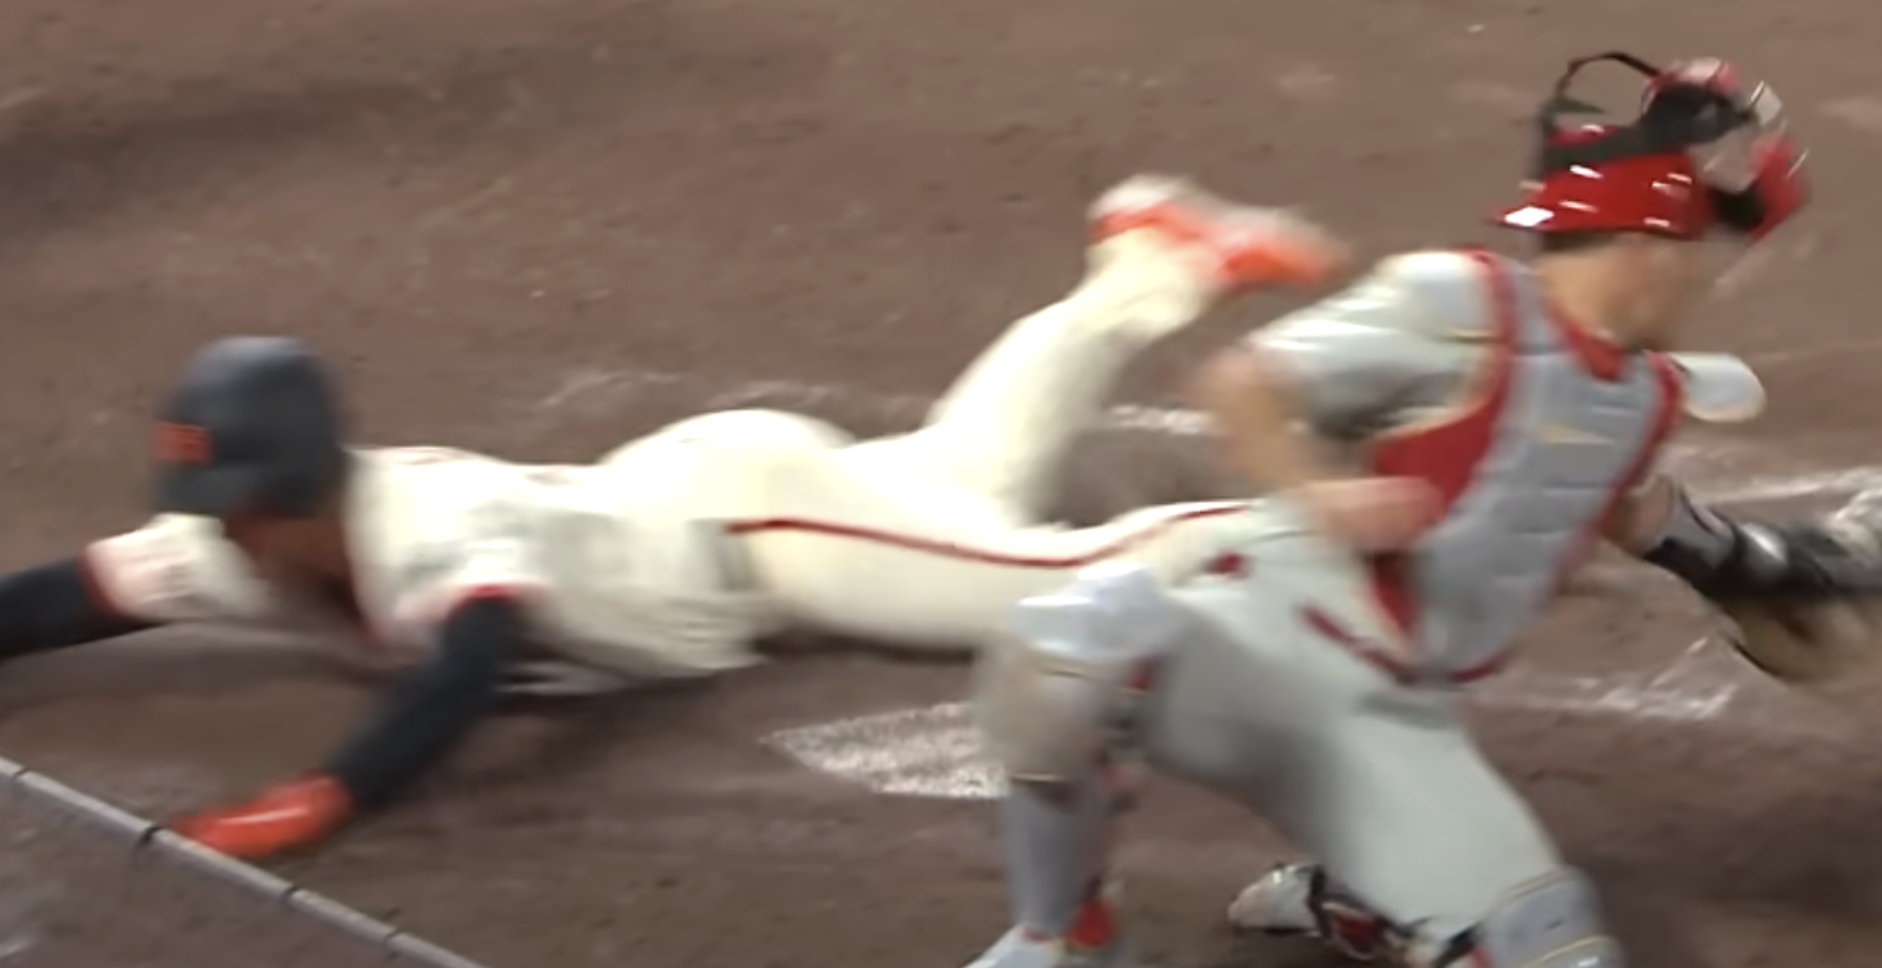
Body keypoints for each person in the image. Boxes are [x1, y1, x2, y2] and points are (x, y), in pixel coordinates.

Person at [0, 176, 1344, 861]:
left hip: (765, 531)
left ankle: (1322, 523)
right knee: (964, 469)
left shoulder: (431, 527)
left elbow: (462, 670)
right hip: (709, 489)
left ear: (297, 494)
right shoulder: (245, 548)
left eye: (240, 511)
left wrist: (329, 794)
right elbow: (64, 598)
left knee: (1049, 580)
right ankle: (1148, 262)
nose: (224, 537)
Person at [958, 54, 1851, 968]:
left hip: (1389, 728)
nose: (1703, 277)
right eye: (1695, 249)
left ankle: (1363, 897)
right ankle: (1067, 936)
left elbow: (1633, 512)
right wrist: (1318, 488)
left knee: (1556, 953)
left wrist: (1769, 565)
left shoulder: (1644, 395)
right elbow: (1244, 382)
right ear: (1642, 246)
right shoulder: (1457, 305)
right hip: (1249, 650)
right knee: (1072, 645)